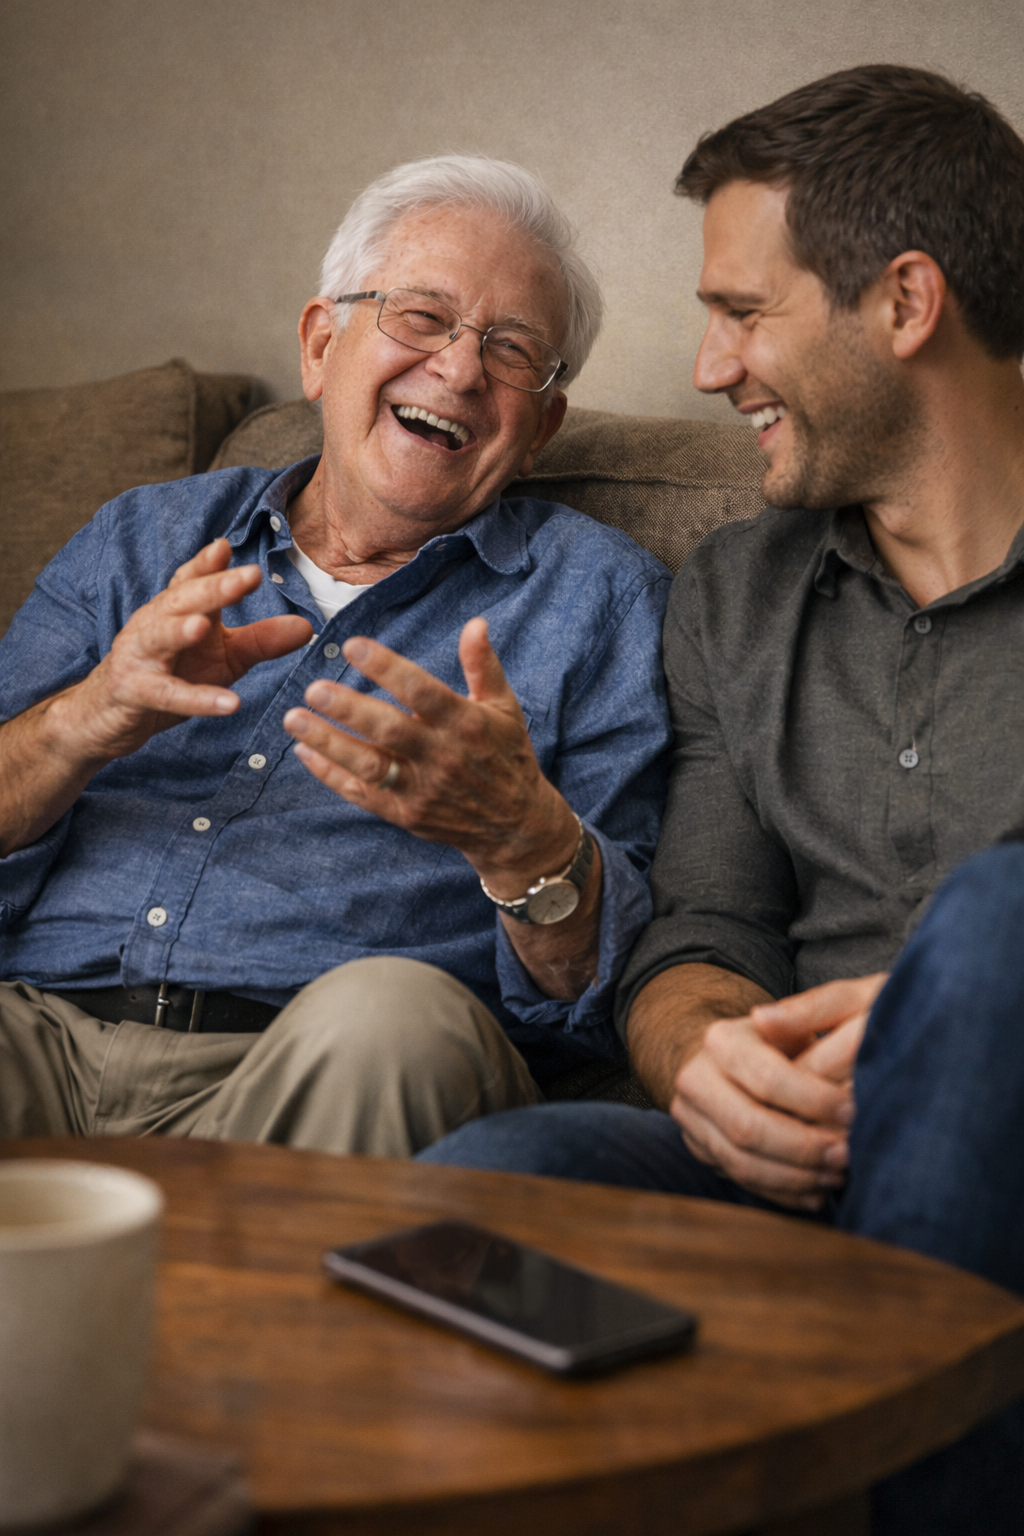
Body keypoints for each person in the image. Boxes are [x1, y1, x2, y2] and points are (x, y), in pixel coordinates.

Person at [420, 70, 1024, 1533]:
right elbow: (704, 922)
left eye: (744, 314)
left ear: (905, 300)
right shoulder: (737, 596)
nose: (708, 369)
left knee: (1002, 922)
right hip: (805, 1153)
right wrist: (703, 1063)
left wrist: (956, 1010)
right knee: (485, 1182)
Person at [0, 156, 671, 1158]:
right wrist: (90, 719)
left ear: (542, 430)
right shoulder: (141, 538)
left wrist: (521, 840)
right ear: (322, 345)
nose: (458, 368)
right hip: (33, 1032)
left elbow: (596, 992)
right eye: (421, 317)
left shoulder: (601, 597)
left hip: (315, 1066)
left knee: (395, 1021)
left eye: (512, 348)